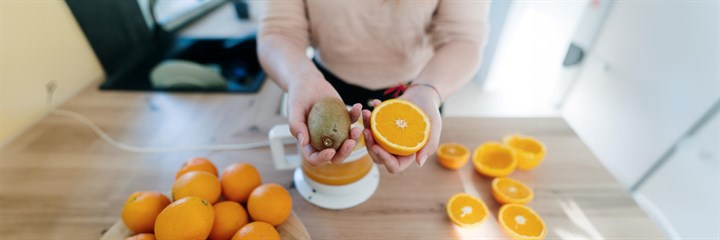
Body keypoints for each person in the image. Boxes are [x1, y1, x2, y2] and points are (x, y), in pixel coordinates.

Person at [258, 1, 488, 173]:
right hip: (323, 85)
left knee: (409, 183)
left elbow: (463, 37)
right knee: (337, 171)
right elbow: (279, 31)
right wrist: (302, 78)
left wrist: (428, 89)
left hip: (419, 90)